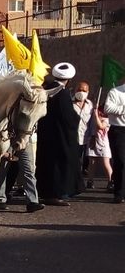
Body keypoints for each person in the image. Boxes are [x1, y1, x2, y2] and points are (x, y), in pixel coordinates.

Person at [36, 62, 85, 206]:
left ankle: (46, 192)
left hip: (46, 135)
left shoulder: (46, 89)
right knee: (59, 164)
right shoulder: (62, 93)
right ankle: (56, 193)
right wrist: (76, 118)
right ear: (68, 79)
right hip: (60, 137)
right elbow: (67, 117)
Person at [104, 78, 125, 203]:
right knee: (121, 161)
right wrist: (123, 109)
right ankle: (119, 192)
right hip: (119, 130)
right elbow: (108, 108)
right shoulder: (115, 92)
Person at [85, 107, 112, 190]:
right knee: (92, 163)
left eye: (100, 112)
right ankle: (90, 181)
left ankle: (111, 181)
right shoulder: (93, 119)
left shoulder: (107, 120)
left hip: (103, 144)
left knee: (105, 163)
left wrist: (96, 116)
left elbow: (100, 126)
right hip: (93, 142)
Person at [73, 81, 93, 175]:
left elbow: (92, 122)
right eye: (79, 90)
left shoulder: (90, 105)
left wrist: (93, 136)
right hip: (73, 138)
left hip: (86, 138)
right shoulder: (69, 103)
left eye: (84, 90)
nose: (81, 92)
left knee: (84, 161)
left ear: (88, 92)